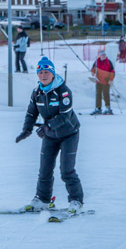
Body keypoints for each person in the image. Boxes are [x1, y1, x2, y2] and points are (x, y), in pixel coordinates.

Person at [15, 56, 84, 215]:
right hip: (50, 135)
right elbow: (31, 113)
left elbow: (65, 116)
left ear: (52, 73)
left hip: (69, 134)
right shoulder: (37, 92)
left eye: (46, 72)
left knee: (67, 170)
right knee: (44, 169)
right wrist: (27, 130)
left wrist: (47, 126)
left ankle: (76, 201)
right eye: (40, 73)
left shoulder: (63, 91)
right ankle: (43, 200)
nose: (43, 75)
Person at [90, 49, 115, 115]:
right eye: (102, 55)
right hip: (98, 81)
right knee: (98, 94)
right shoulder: (96, 62)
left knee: (106, 94)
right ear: (100, 56)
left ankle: (108, 108)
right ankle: (98, 108)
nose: (103, 56)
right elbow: (93, 69)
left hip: (106, 81)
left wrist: (111, 79)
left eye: (104, 55)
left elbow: (112, 71)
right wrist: (93, 73)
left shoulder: (108, 62)